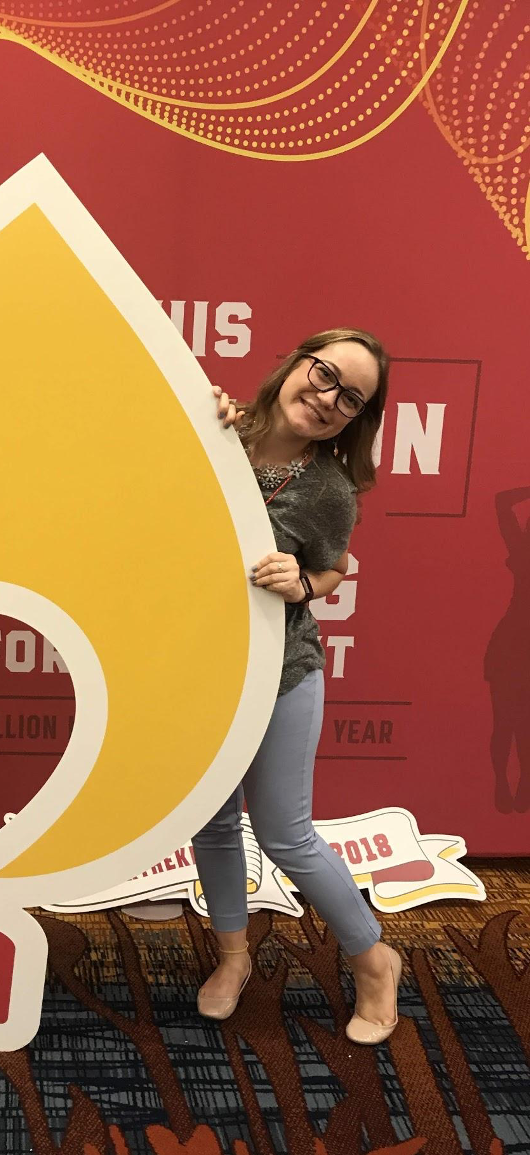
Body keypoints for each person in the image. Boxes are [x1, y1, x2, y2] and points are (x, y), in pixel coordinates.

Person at [192, 328, 401, 1045]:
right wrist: (199, 419)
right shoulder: (213, 430)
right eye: (324, 374)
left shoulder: (329, 490)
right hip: (198, 672)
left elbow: (335, 571)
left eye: (351, 398)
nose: (329, 398)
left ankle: (375, 961)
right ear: (294, 365)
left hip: (283, 674)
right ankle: (231, 958)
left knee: (285, 833)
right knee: (211, 822)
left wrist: (303, 580)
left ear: (356, 418)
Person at [484, 485, 530, 814]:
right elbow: (501, 501)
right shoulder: (522, 547)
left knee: (510, 722)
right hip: (513, 641)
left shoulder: (521, 546)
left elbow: (503, 502)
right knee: (508, 722)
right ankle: (505, 783)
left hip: (512, 638)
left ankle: (517, 786)